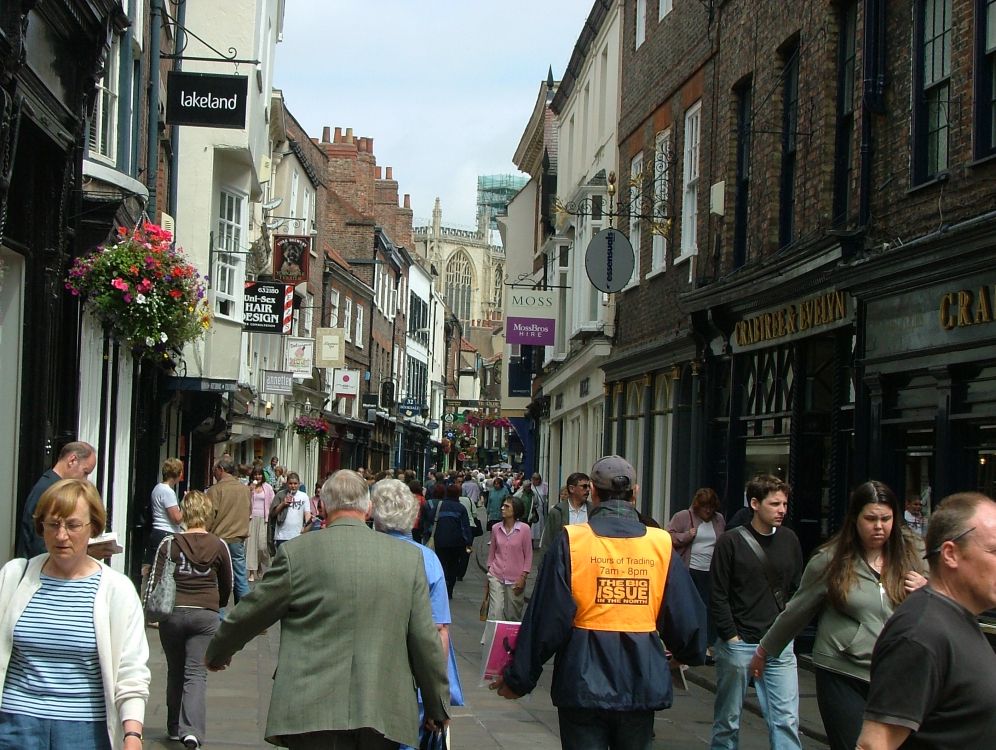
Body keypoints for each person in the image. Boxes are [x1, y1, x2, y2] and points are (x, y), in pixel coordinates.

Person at [204, 470, 450, 749]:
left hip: (311, 711)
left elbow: (252, 612)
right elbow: (425, 639)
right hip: (382, 710)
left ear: (322, 506)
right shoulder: (408, 559)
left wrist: (218, 652)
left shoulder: (297, 553)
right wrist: (436, 705)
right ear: (368, 508)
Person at [491, 455, 706, 749]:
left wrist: (519, 678)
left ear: (592, 490)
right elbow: (686, 615)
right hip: (639, 680)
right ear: (635, 492)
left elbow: (547, 618)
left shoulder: (572, 541)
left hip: (582, 679)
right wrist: (688, 650)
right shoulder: (660, 544)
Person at [748, 481, 927, 750]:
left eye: (886, 519)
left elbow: (947, 595)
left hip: (897, 673)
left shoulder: (913, 555)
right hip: (843, 671)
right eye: (870, 518)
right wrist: (764, 651)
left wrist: (928, 590)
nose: (879, 526)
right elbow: (796, 611)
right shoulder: (831, 560)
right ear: (855, 519)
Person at [0, 479, 150, 750]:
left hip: (85, 732)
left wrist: (132, 735)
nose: (61, 535)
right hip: (14, 726)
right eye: (53, 524)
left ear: (93, 527)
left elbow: (131, 670)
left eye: (72, 525)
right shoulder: (14, 576)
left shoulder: (117, 591)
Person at [855, 493, 996, 750]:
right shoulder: (920, 633)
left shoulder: (958, 620)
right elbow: (875, 744)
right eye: (995, 551)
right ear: (950, 554)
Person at [709, 474, 804, 750]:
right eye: (774, 504)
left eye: (784, 504)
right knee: (728, 720)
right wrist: (730, 636)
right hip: (739, 643)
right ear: (754, 503)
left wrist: (788, 631)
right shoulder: (730, 542)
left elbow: (797, 589)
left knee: (786, 720)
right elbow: (718, 594)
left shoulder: (789, 540)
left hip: (778, 643)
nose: (782, 510)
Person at [371, 479, 464, 750]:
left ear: (374, 513)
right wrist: (439, 697)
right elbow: (439, 631)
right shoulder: (427, 560)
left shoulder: (362, 555)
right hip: (414, 679)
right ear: (413, 516)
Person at [151, 490, 232, 750]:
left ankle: (174, 727)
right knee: (195, 673)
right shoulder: (219, 545)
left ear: (185, 513)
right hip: (205, 615)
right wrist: (215, 606)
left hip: (173, 614)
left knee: (175, 670)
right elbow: (227, 584)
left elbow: (157, 579)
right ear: (207, 514)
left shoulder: (169, 543)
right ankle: (192, 732)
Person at [668, 487, 726, 653]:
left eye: (711, 507)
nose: (708, 510)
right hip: (691, 569)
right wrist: (687, 535)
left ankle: (709, 643)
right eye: (704, 506)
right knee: (693, 606)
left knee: (710, 606)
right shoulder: (683, 516)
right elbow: (668, 536)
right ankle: (693, 644)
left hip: (712, 570)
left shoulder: (718, 519)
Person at [17, 441, 97, 558]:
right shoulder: (50, 490)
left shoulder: (49, 485)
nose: (84, 480)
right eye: (85, 472)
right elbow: (40, 540)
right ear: (72, 460)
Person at [205, 456, 251, 604]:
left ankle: (219, 617)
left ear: (221, 469)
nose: (213, 473)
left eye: (214, 470)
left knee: (219, 580)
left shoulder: (215, 490)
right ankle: (245, 615)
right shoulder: (245, 490)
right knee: (240, 578)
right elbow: (248, 512)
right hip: (237, 538)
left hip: (219, 539)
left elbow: (209, 516)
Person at [485, 496, 532, 622]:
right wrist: (489, 569)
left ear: (515, 510)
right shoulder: (496, 528)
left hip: (516, 577)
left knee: (513, 615)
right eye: (503, 505)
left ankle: (511, 641)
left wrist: (523, 576)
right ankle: (493, 640)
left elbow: (528, 554)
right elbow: (492, 551)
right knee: (495, 611)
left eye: (507, 506)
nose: (502, 508)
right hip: (496, 574)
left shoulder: (524, 529)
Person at [431, 485, 473, 598]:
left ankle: (441, 588)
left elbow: (432, 521)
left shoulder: (439, 506)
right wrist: (468, 541)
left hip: (440, 540)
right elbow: (465, 527)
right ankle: (449, 590)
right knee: (453, 565)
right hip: (456, 543)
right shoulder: (461, 508)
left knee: (441, 564)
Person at [147, 458, 184, 571]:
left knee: (157, 568)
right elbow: (177, 519)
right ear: (177, 473)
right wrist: (184, 504)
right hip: (166, 533)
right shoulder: (168, 492)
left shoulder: (157, 488)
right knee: (166, 570)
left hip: (157, 532)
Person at [540, 472, 592, 552]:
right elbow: (547, 542)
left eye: (589, 486)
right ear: (571, 489)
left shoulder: (594, 510)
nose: (588, 490)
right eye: (584, 486)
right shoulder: (557, 512)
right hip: (564, 560)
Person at [267, 472, 311, 552]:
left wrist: (306, 527)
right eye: (290, 483)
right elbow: (272, 514)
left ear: (299, 484)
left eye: (295, 484)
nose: (293, 486)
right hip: (282, 535)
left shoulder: (304, 496)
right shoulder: (280, 495)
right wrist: (283, 504)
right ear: (287, 484)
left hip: (297, 535)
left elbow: (307, 514)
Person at [247, 467, 274, 582]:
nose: (257, 477)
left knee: (262, 546)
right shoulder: (249, 487)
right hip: (252, 518)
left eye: (259, 475)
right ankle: (252, 572)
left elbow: (272, 502)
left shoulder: (267, 488)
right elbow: (244, 501)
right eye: (255, 475)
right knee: (251, 546)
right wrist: (249, 490)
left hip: (264, 519)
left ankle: (259, 565)